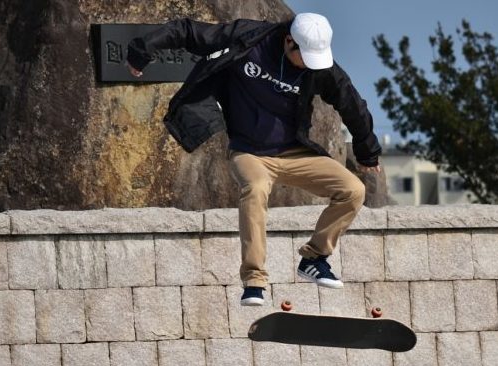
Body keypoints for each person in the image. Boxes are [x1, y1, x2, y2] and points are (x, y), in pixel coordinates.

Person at [127, 13, 381, 306]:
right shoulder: (248, 39)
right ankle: (254, 280)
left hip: (293, 152)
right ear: (289, 41)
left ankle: (314, 258)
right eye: (305, 58)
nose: (310, 66)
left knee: (353, 190)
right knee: (257, 187)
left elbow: (352, 104)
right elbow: (187, 32)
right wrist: (142, 51)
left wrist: (367, 150)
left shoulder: (320, 69)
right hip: (249, 151)